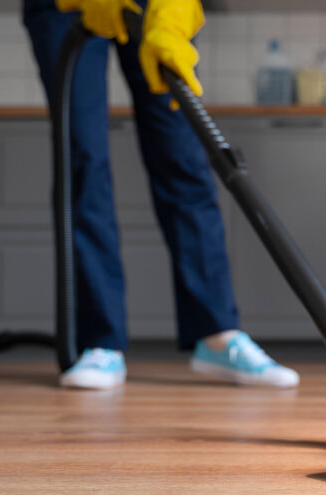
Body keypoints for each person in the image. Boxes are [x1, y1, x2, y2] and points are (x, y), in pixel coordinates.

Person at [22, 0, 299, 390]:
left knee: (183, 154)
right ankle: (98, 342)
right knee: (82, 154)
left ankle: (217, 332)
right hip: (66, 8)